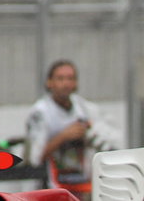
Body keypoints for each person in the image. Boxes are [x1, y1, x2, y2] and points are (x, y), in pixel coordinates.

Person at [24, 60, 119, 199]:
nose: (66, 83)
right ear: (49, 82)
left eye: (70, 78)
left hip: (82, 185)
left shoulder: (84, 107)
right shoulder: (40, 113)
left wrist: (90, 133)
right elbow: (34, 158)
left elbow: (111, 142)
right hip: (50, 188)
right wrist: (63, 136)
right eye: (60, 78)